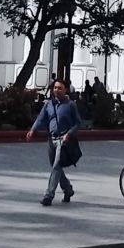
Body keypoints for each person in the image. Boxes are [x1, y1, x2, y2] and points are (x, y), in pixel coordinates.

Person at [26, 79, 82, 207]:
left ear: (65, 90)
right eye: (55, 88)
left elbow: (78, 123)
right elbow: (40, 118)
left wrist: (69, 134)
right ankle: (68, 190)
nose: (57, 90)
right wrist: (33, 130)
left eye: (60, 88)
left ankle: (48, 195)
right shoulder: (48, 104)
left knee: (56, 166)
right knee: (56, 167)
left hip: (64, 140)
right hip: (51, 139)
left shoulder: (70, 105)